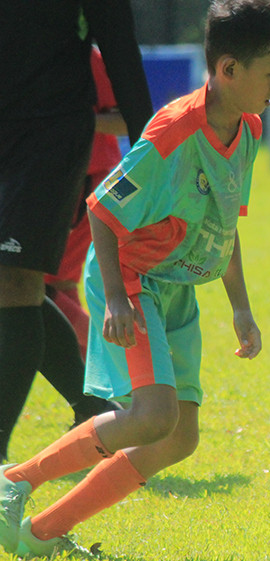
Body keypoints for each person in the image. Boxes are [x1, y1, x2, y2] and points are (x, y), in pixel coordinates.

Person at [0, 0, 270, 559]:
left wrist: (241, 307)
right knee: (153, 416)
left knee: (179, 437)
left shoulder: (248, 132)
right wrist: (114, 298)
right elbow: (102, 211)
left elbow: (224, 226)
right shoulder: (172, 134)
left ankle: (40, 534)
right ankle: (16, 480)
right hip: (133, 281)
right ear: (229, 69)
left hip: (175, 287)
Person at [0, 0, 153, 462]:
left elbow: (121, 45)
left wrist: (152, 159)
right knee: (11, 282)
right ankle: (90, 405)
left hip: (51, 132)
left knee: (17, 279)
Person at [46, 46, 129, 359]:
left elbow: (127, 118)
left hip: (86, 179)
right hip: (45, 181)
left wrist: (76, 121)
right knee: (60, 286)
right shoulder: (26, 45)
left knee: (35, 286)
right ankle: (95, 394)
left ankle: (127, 356)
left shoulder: (88, 57)